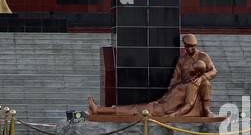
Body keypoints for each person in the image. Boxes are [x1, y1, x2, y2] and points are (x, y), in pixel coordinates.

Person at [88, 33, 218, 117]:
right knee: (135, 108)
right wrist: (166, 95)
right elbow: (174, 79)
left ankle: (100, 110)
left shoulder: (200, 66)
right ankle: (100, 110)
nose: (191, 49)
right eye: (188, 46)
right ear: (184, 45)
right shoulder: (182, 61)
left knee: (135, 109)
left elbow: (188, 104)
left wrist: (172, 116)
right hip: (163, 103)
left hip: (165, 109)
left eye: (193, 46)